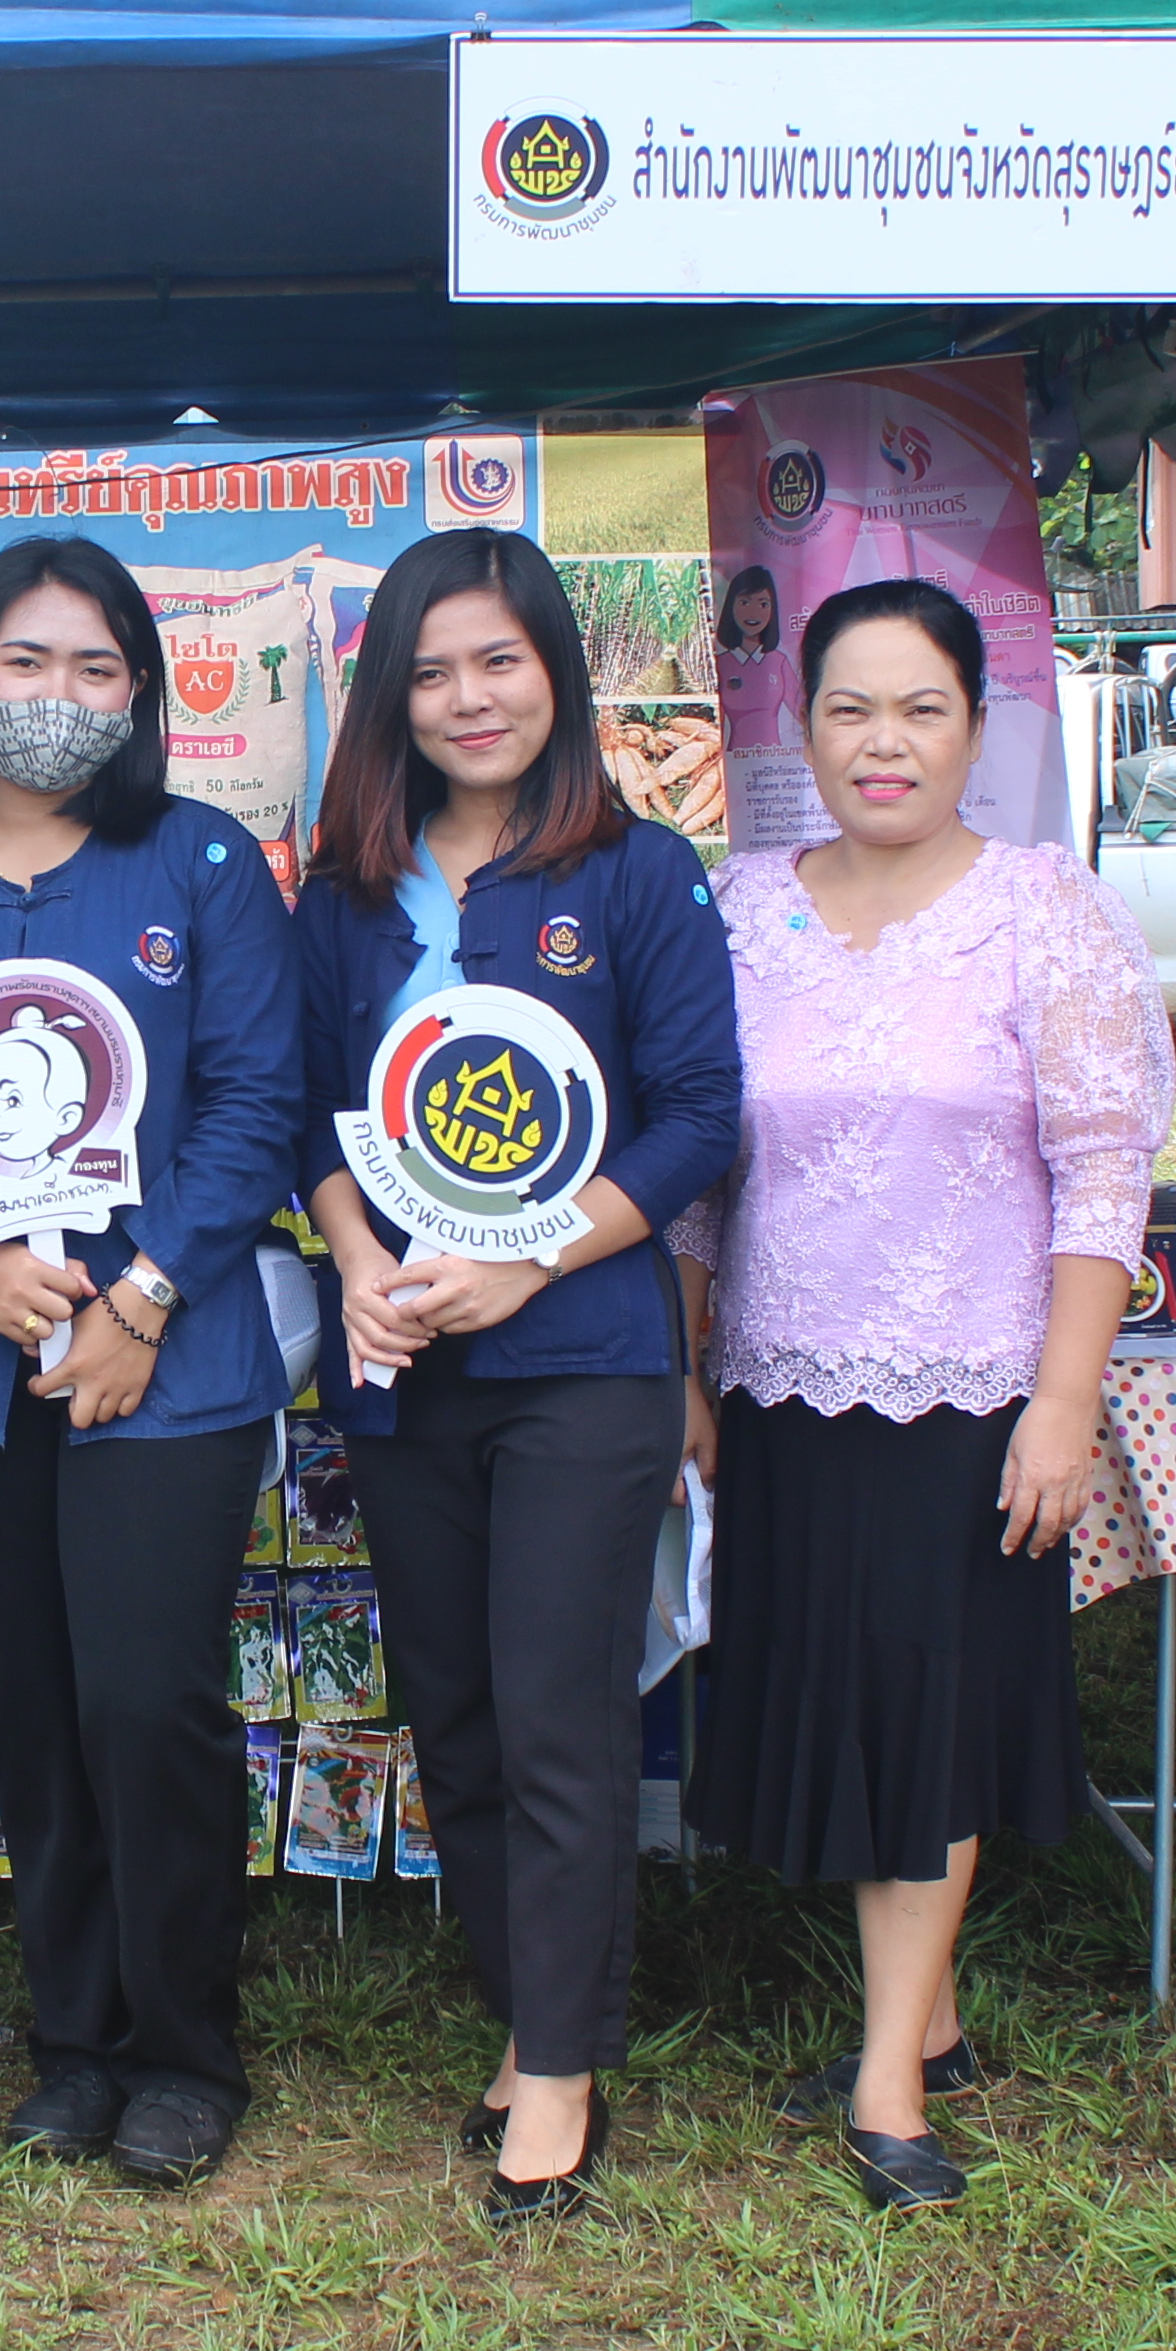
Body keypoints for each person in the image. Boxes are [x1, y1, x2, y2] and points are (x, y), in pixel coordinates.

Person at [673, 580, 1168, 2212]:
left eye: (919, 710)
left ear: (975, 726)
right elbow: (692, 1180)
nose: (880, 743)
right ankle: (930, 2019)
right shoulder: (733, 912)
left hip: (971, 1400)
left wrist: (1061, 1401)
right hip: (780, 1392)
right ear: (796, 728)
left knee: (929, 1717)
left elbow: (1102, 1174)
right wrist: (689, 1370)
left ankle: (886, 2076)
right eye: (846, 710)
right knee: (845, 1710)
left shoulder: (1040, 909)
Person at [0, 535, 300, 2187]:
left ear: (140, 694)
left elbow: (253, 1102)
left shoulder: (200, 864)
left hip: (163, 1362)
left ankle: (182, 2049)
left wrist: (139, 1297)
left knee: (143, 1699)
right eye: (26, 662)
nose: (58, 696)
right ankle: (72, 2042)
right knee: (26, 1705)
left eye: (96, 667)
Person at [296, 526, 740, 2225]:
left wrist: (522, 1263)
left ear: (553, 671)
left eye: (497, 660)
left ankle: (558, 2064)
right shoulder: (340, 892)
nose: (466, 697)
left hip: (577, 1361)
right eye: (428, 669)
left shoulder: (633, 873)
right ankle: (525, 2010)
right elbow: (292, 1109)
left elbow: (700, 1113)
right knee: (456, 1719)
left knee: (559, 1713)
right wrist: (357, 1270)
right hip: (403, 1375)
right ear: (386, 696)